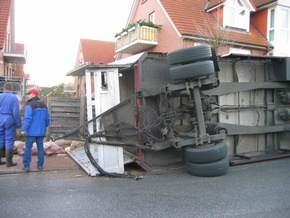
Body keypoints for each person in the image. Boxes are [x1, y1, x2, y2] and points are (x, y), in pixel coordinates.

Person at [21, 88, 50, 172]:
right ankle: (40, 165)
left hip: (31, 131)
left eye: (29, 94)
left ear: (34, 94)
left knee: (28, 148)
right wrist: (44, 126)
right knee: (40, 147)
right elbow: (47, 118)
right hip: (41, 131)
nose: (28, 95)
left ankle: (26, 166)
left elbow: (28, 119)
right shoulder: (44, 105)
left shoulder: (29, 105)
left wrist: (24, 129)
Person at [0, 82, 22, 167]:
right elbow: (16, 112)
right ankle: (9, 162)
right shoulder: (14, 98)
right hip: (9, 119)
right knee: (9, 140)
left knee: (0, 139)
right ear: (11, 88)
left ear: (4, 88)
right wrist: (18, 123)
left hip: (0, 118)